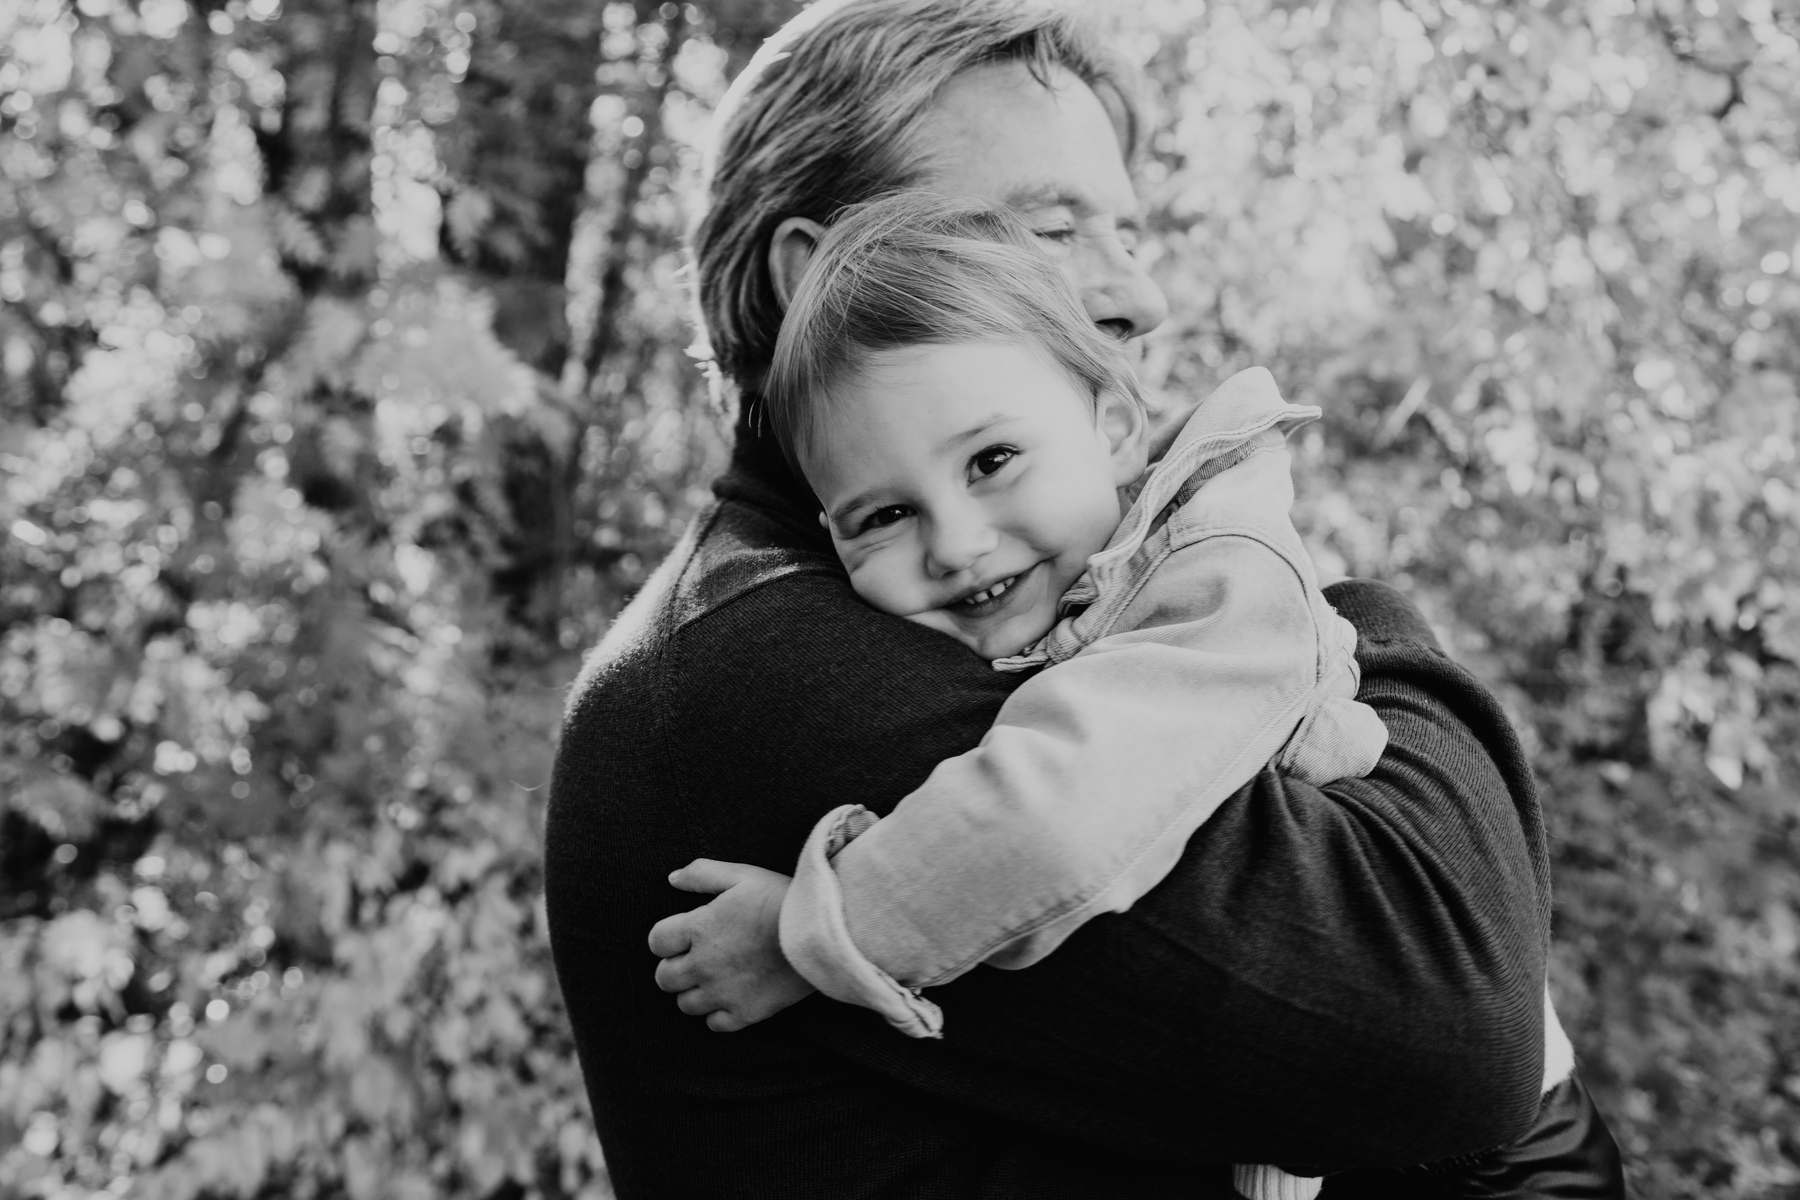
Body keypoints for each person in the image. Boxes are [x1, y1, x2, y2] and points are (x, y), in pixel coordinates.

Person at [543, 2, 1617, 1195]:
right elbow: (1455, 1034)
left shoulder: (919, 603)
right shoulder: (776, 670)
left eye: (1129, 231)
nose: (1140, 297)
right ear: (819, 276)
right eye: (1052, 229)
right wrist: (1368, 627)